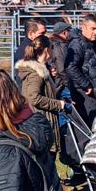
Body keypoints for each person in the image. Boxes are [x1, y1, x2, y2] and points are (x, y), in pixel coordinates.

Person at [15, 37, 66, 171]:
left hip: (39, 122)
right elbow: (34, 98)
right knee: (46, 162)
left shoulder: (40, 71)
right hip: (41, 122)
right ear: (46, 50)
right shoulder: (36, 74)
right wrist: (58, 104)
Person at [65, 14, 96, 122]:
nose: (95, 32)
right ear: (83, 28)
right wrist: (86, 85)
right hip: (86, 94)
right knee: (93, 122)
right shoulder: (77, 44)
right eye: (93, 29)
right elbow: (70, 66)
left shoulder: (93, 43)